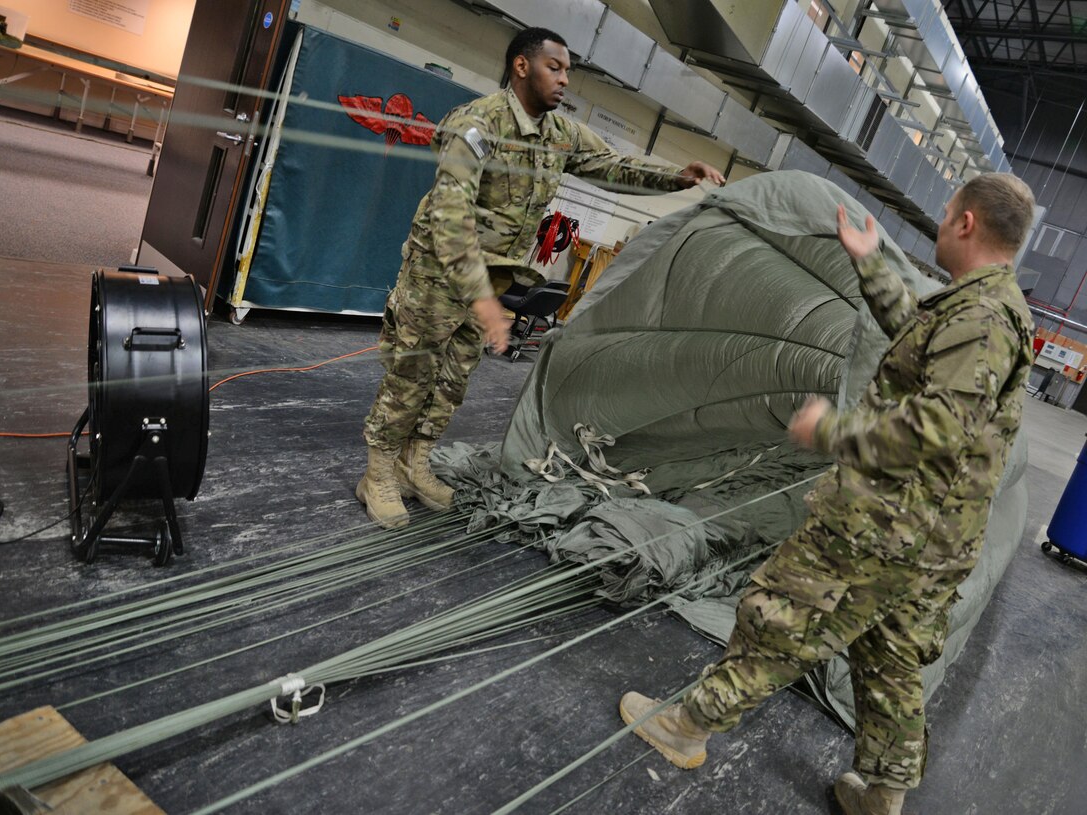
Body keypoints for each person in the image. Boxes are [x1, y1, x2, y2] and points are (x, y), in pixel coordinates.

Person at [619, 173, 1036, 815]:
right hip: (930, 541)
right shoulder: (984, 307)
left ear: (967, 223)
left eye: (946, 210)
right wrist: (870, 265)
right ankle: (884, 796)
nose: (940, 221)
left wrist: (833, 431)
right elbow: (919, 349)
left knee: (784, 616)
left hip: (888, 529)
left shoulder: (982, 318)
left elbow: (941, 429)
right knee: (891, 660)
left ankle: (686, 726)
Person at [357, 27, 724, 529]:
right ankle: (377, 474)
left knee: (452, 381)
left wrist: (677, 177)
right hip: (439, 278)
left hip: (492, 281)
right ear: (521, 66)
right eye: (556, 67)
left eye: (568, 70)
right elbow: (450, 217)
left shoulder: (559, 136)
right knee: (412, 375)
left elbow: (610, 166)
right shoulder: (477, 124)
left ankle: (414, 463)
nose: (565, 80)